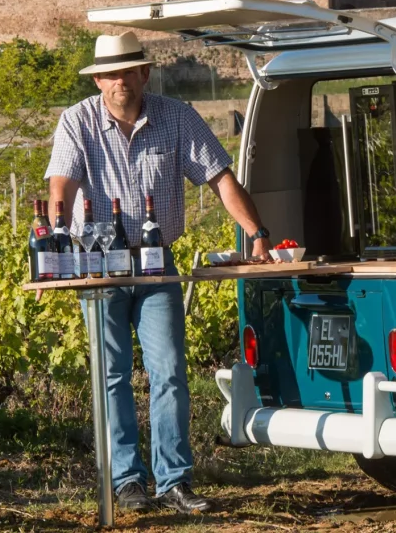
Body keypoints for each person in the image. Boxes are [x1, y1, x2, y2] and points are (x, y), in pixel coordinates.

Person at [44, 31, 274, 514]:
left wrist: (256, 232)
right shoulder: (76, 121)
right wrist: (57, 232)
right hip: (99, 263)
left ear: (145, 73)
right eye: (110, 73)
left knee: (168, 372)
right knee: (112, 376)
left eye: (128, 71)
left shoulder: (178, 117)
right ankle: (127, 482)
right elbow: (60, 183)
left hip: (155, 263)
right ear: (98, 79)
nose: (119, 81)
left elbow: (220, 177)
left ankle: (174, 482)